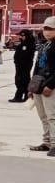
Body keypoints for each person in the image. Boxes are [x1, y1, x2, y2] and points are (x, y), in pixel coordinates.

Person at [29, 17, 55, 155]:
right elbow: (37, 66)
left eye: (50, 29)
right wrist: (32, 86)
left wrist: (50, 85)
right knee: (43, 115)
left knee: (52, 116)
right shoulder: (45, 45)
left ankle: (54, 144)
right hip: (39, 84)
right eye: (45, 28)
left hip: (50, 85)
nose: (47, 31)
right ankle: (47, 142)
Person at [8, 29, 35, 103]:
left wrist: (19, 61)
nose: (20, 37)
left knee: (21, 80)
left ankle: (19, 96)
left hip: (24, 65)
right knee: (22, 80)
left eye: (22, 36)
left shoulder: (28, 44)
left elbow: (24, 55)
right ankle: (25, 96)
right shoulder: (24, 43)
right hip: (20, 65)